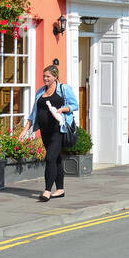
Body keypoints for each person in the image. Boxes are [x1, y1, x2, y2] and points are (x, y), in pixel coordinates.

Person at [24, 60, 78, 201]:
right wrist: (25, 130)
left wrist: (62, 109)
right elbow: (33, 113)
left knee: (49, 158)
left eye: (48, 76)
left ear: (55, 77)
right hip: (45, 131)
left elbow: (74, 105)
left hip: (58, 130)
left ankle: (47, 191)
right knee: (56, 159)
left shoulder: (64, 89)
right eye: (44, 76)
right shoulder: (40, 91)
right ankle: (60, 190)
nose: (45, 79)